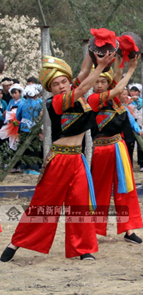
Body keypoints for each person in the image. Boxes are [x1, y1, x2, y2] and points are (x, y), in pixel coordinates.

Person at [0, 52, 115, 262]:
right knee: (44, 203)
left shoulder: (75, 94)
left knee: (79, 203)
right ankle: (16, 242)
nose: (61, 86)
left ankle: (82, 249)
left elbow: (82, 74)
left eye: (64, 81)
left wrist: (92, 54)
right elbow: (81, 86)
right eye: (55, 84)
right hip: (59, 159)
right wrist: (101, 66)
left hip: (77, 159)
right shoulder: (56, 102)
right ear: (49, 89)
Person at [83, 54, 143, 244]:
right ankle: (93, 228)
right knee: (99, 190)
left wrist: (120, 55)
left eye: (103, 81)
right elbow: (118, 86)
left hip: (119, 147)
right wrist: (132, 68)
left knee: (125, 188)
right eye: (97, 81)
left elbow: (117, 74)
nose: (100, 84)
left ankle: (128, 228)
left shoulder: (115, 100)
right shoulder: (94, 99)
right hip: (101, 149)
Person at [16, 84, 43, 175]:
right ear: (36, 95)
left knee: (23, 148)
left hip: (24, 128)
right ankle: (34, 167)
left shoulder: (22, 103)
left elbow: (18, 116)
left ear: (26, 94)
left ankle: (23, 166)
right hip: (35, 129)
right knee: (34, 148)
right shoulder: (39, 103)